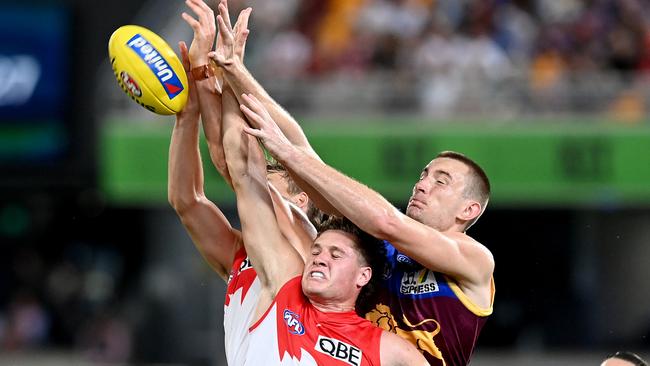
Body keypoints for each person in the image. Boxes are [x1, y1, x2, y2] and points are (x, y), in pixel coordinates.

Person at [213, 1, 493, 364]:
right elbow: (304, 152)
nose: (422, 185)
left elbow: (385, 220)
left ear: (468, 209)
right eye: (424, 175)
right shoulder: (377, 249)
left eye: (442, 181)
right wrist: (238, 74)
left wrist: (288, 154)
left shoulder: (473, 259)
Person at [219, 59, 427, 365]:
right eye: (317, 249)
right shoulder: (284, 285)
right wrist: (226, 74)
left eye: (336, 254)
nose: (319, 257)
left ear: (363, 276)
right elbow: (245, 175)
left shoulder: (388, 349)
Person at [169, 1, 319, 364]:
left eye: (272, 177)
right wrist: (186, 114)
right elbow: (186, 201)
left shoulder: (309, 250)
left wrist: (215, 71)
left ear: (299, 202)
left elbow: (233, 161)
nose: (249, 182)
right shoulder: (241, 256)